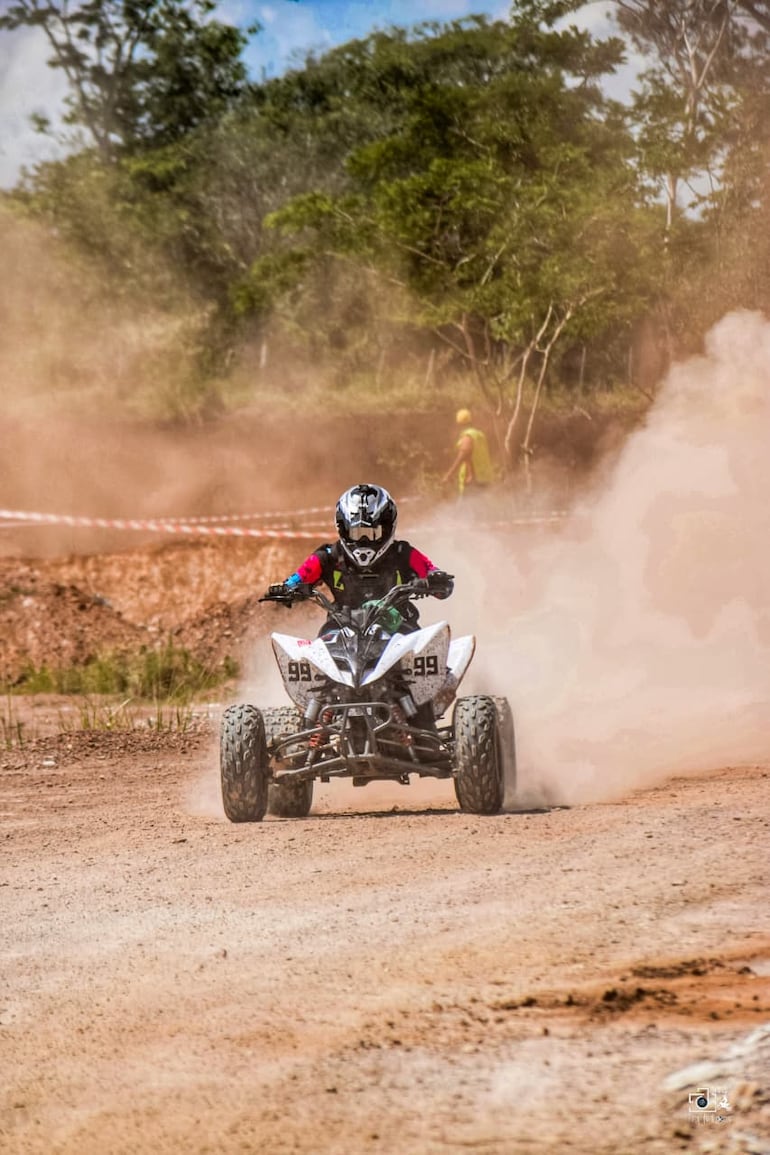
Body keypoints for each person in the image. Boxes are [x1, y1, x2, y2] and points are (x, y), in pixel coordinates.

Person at [268, 483, 454, 632]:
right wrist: (286, 589)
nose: (364, 541)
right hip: (341, 629)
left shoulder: (403, 553)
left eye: (373, 533)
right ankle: (319, 679)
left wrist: (436, 580)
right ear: (343, 529)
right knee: (322, 642)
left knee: (422, 645)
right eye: (357, 533)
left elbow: (433, 573)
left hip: (398, 627)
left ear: (388, 528)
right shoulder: (328, 556)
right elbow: (298, 578)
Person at [442, 408, 494, 495]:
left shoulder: (467, 436)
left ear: (458, 424)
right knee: (482, 506)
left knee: (465, 508)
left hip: (473, 480)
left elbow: (464, 454)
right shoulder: (480, 435)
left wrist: (449, 474)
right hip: (485, 478)